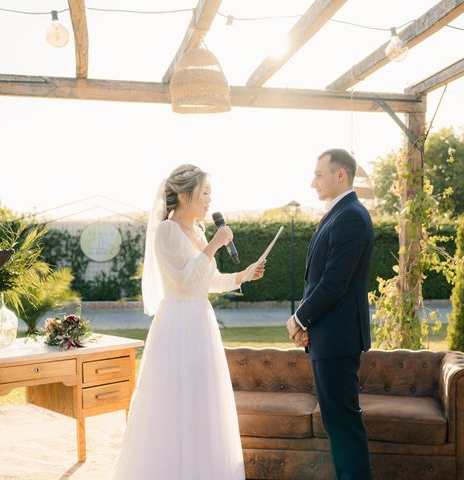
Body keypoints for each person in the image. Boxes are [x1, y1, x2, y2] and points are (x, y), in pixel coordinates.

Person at [112, 164, 265, 479]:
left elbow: (206, 281)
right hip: (177, 325)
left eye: (211, 193)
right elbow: (183, 281)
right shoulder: (167, 231)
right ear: (184, 195)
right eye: (204, 192)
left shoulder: (198, 233)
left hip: (201, 323)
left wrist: (242, 275)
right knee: (173, 404)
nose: (209, 199)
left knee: (201, 403)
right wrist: (215, 245)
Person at [286, 149, 374, 480]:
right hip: (328, 336)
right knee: (338, 424)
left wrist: (298, 319)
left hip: (338, 339)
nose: (313, 182)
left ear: (340, 175)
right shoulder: (339, 213)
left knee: (343, 424)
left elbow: (333, 283)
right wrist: (308, 325)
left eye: (319, 174)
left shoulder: (351, 216)